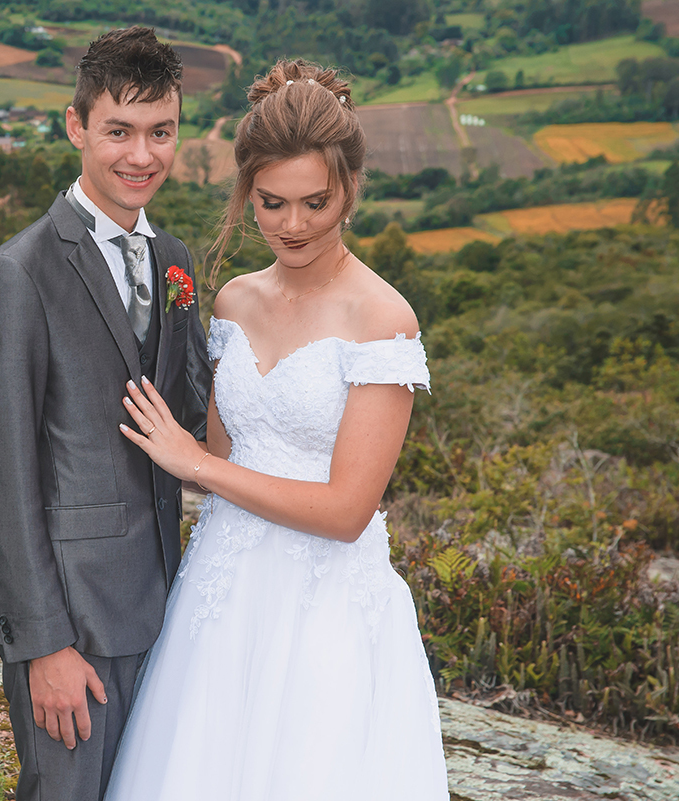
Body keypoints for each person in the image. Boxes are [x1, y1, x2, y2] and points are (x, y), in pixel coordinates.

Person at [104, 60, 450, 800]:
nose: (292, 225)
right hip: (221, 594)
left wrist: (194, 464)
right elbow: (236, 453)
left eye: (315, 202)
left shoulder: (382, 320)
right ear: (246, 191)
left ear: (349, 190)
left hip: (323, 605)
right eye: (271, 202)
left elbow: (346, 511)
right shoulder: (231, 301)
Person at [0, 27, 213, 801]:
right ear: (77, 127)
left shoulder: (174, 261)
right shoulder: (15, 276)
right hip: (74, 623)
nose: (142, 156)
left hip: (166, 608)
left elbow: (194, 410)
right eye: (119, 132)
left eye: (160, 132)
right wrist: (45, 646)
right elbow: (2, 480)